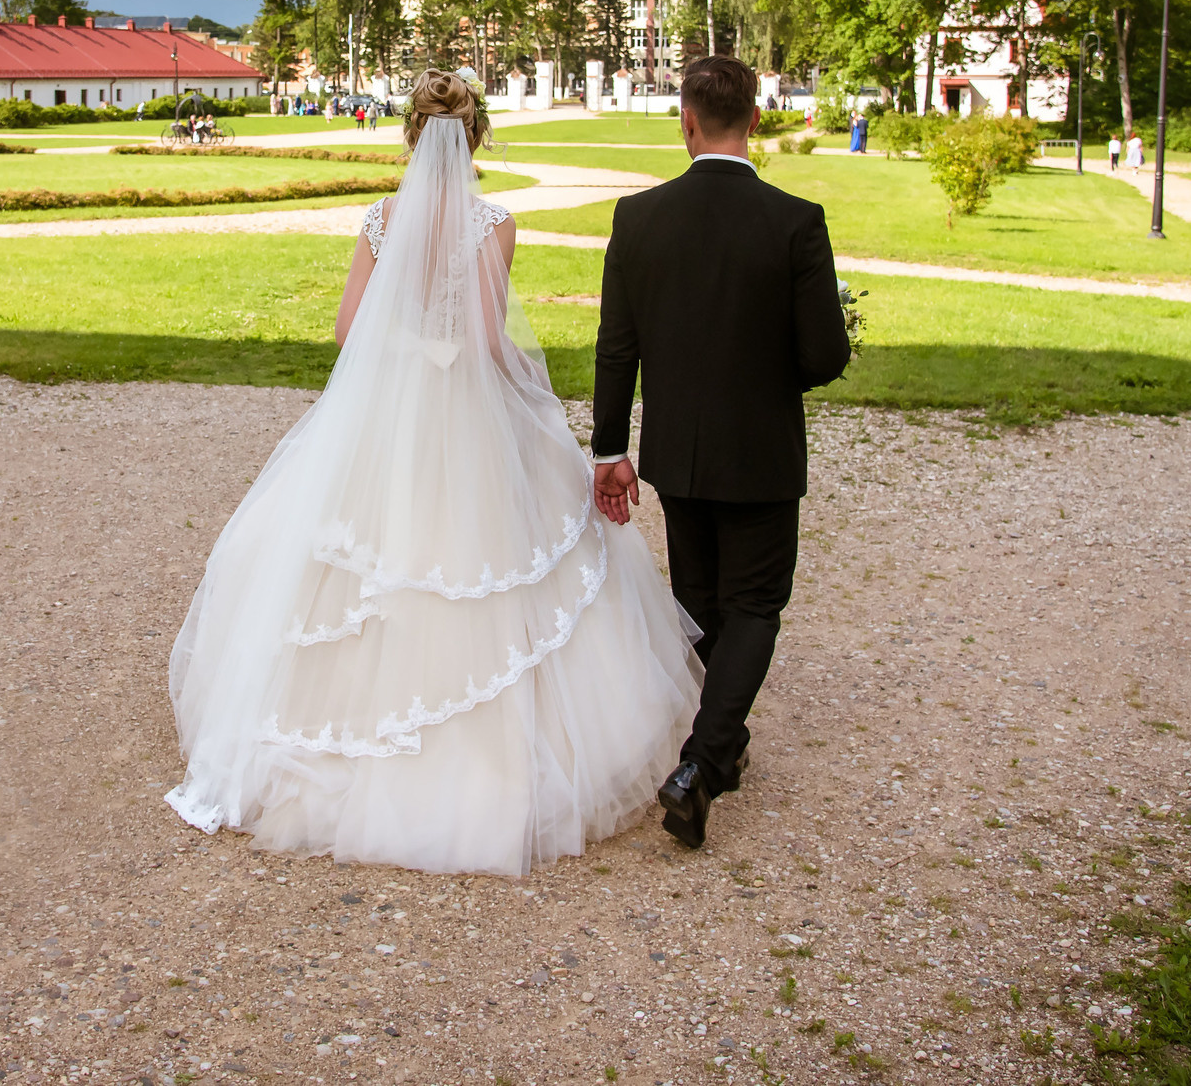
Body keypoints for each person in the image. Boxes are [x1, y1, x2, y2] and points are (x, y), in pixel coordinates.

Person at [166, 70, 700, 875]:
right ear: (476, 135)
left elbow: (350, 332)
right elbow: (488, 340)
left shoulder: (381, 219)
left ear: (411, 135)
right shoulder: (495, 223)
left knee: (361, 562)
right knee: (484, 559)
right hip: (463, 412)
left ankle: (337, 740)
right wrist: (530, 385)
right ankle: (484, 763)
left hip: (387, 413)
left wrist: (406, 353)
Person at [591, 56, 852, 850]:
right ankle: (701, 763)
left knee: (704, 603)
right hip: (762, 448)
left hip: (679, 448)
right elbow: (823, 357)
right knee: (757, 602)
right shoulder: (796, 220)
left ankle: (718, 748)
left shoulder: (639, 219)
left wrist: (609, 449)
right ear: (757, 121)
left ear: (687, 121)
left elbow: (616, 347)